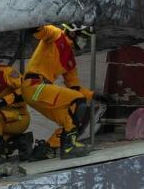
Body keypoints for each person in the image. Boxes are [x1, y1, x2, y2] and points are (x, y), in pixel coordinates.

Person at [20, 25, 111, 160]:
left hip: (42, 91)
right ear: (73, 33)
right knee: (77, 101)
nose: (84, 42)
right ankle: (68, 148)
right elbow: (40, 30)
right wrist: (35, 24)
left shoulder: (70, 61)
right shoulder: (56, 34)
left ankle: (46, 149)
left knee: (72, 122)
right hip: (34, 85)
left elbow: (75, 88)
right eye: (83, 37)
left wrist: (95, 95)